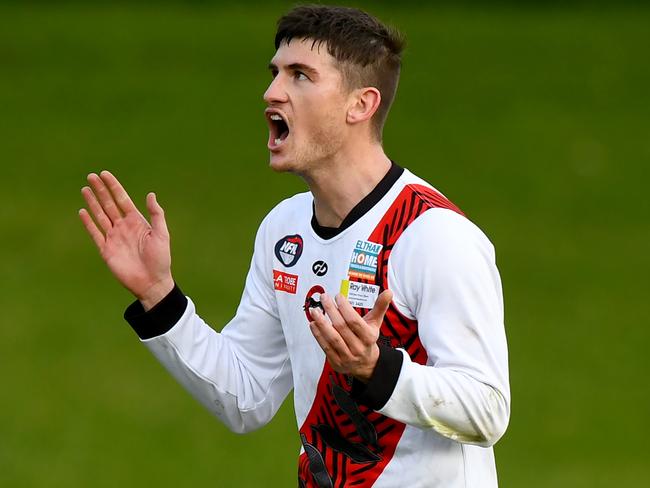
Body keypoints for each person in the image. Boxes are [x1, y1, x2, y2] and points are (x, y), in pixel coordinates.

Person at [79, 5, 510, 487]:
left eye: (300, 76)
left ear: (360, 105)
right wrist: (159, 295)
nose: (271, 92)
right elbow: (246, 396)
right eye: (275, 73)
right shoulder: (284, 231)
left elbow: (488, 409)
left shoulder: (434, 236)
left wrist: (377, 369)